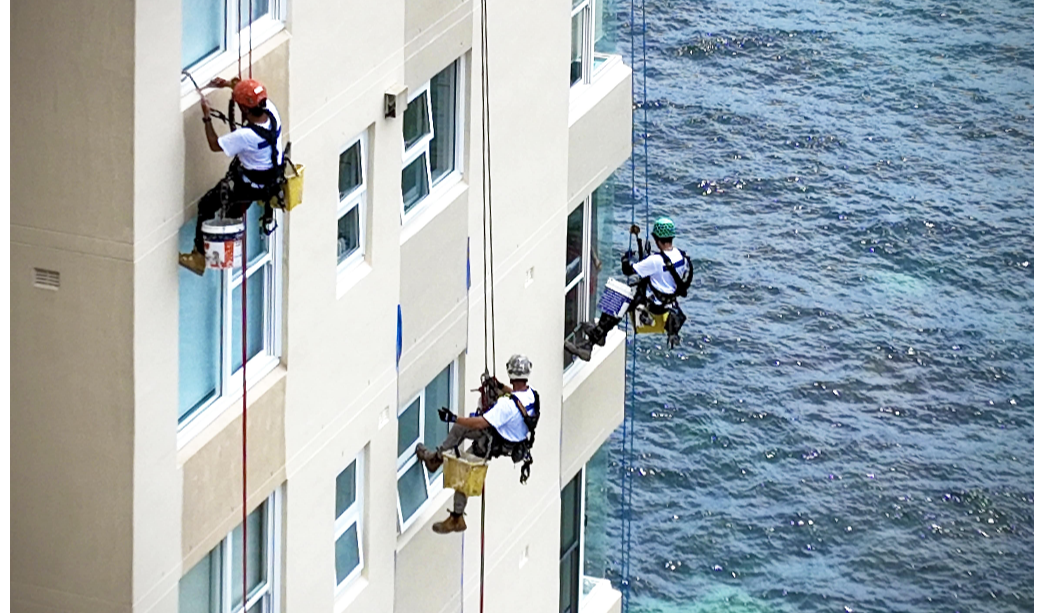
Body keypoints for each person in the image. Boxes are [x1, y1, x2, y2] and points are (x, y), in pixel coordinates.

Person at [415, 354, 541, 534]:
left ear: (511, 373)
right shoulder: (532, 395)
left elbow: (481, 423)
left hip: (493, 441)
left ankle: (456, 515)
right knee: (461, 431)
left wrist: (454, 418)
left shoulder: (506, 406)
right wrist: (499, 387)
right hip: (511, 440)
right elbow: (515, 396)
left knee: (463, 464)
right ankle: (436, 460)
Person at [178, 77, 284, 276]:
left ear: (244, 109)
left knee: (207, 205)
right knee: (232, 211)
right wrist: (228, 84)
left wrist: (207, 117)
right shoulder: (271, 111)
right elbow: (250, 96)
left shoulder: (246, 136)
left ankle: (199, 257)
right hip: (267, 181)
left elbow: (214, 144)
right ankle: (220, 240)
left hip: (248, 184)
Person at [565, 216, 693, 361]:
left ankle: (590, 344)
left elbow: (628, 270)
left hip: (652, 304)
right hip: (668, 303)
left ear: (657, 239)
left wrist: (626, 259)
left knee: (616, 297)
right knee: (623, 297)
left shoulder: (656, 260)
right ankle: (599, 332)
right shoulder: (682, 257)